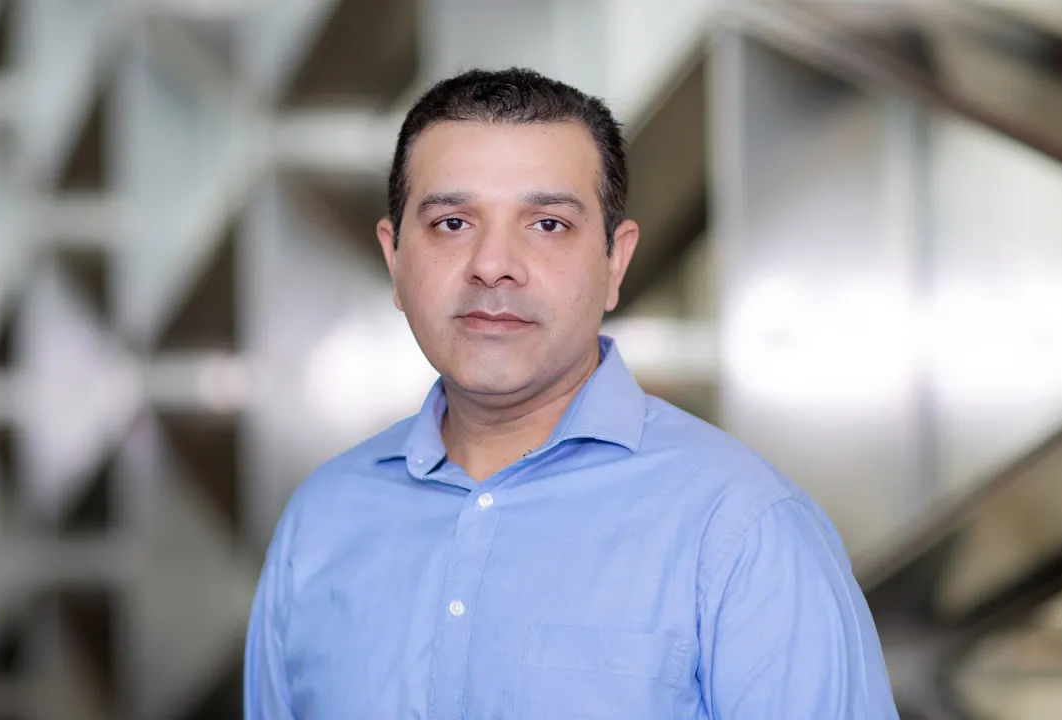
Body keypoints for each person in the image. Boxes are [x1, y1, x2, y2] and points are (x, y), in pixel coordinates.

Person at [244, 67, 899, 719]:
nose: (493, 264)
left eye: (548, 224)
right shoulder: (320, 522)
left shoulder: (745, 529)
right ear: (394, 260)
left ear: (615, 260)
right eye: (452, 222)